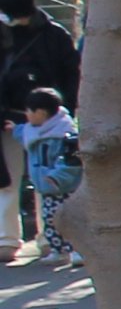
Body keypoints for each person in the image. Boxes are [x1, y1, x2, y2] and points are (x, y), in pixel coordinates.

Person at [0, 0, 79, 264]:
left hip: (49, 122)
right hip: (9, 119)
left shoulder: (53, 35)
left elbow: (71, 73)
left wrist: (64, 109)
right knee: (7, 180)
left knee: (48, 181)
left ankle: (52, 239)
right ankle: (6, 240)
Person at [15, 87, 78, 271]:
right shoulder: (36, 129)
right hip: (47, 188)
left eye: (28, 110)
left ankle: (77, 249)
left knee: (71, 220)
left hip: (64, 186)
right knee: (50, 220)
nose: (26, 114)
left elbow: (69, 159)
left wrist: (57, 176)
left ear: (41, 113)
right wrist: (13, 129)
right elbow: (23, 134)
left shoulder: (64, 133)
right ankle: (59, 251)